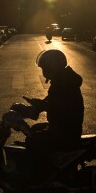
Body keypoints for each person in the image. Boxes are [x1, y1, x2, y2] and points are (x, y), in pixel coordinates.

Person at [19, 49, 84, 182]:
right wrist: (35, 103)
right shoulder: (62, 80)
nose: (43, 72)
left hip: (66, 131)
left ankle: (43, 175)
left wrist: (41, 105)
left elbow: (57, 106)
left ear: (53, 67)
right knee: (34, 130)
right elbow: (51, 100)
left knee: (33, 141)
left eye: (45, 68)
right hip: (63, 126)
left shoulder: (65, 83)